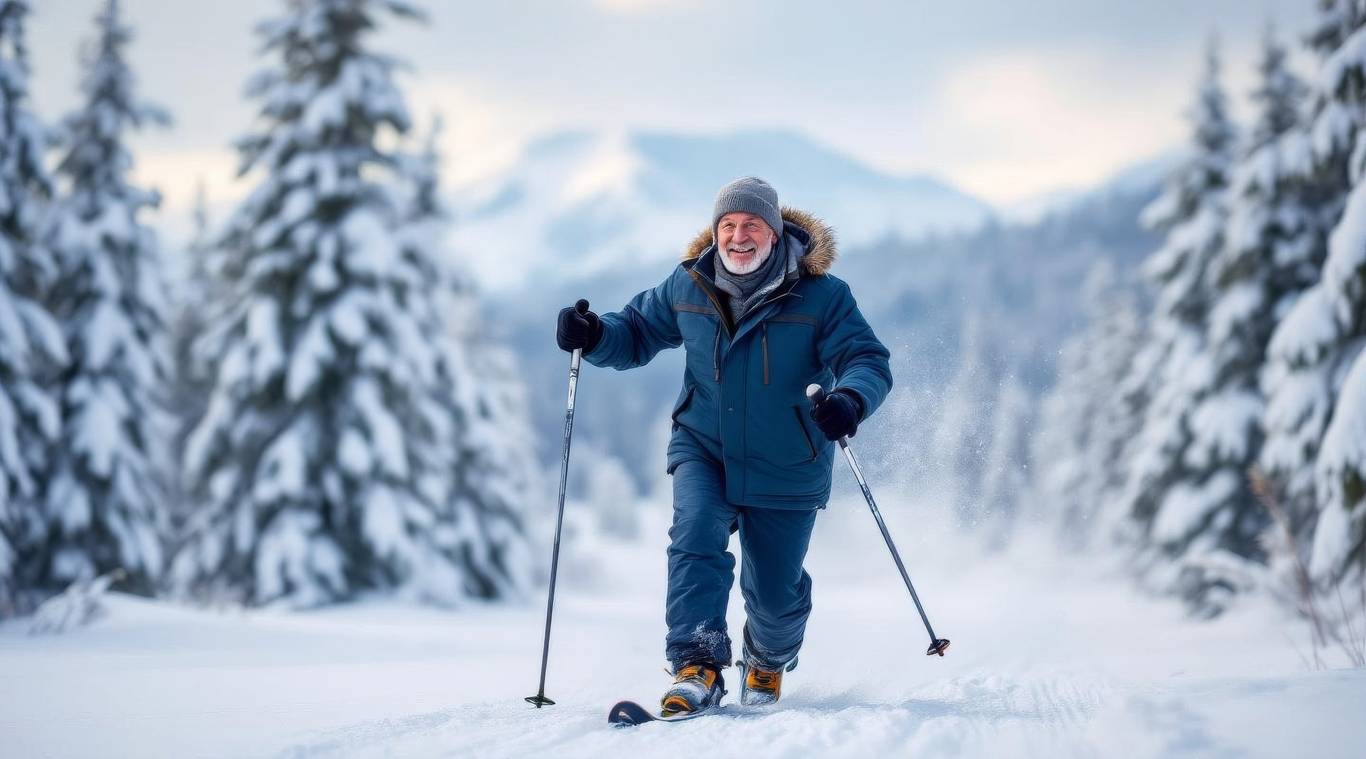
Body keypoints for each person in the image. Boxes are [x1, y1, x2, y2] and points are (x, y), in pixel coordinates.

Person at [555, 176, 892, 715]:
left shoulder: (824, 296)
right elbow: (636, 331)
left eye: (751, 224)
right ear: (715, 232)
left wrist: (851, 399)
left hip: (788, 460)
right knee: (695, 534)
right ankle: (698, 664)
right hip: (704, 445)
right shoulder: (688, 285)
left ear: (775, 232)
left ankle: (767, 655)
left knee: (776, 599)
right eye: (728, 225)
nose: (738, 236)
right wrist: (593, 335)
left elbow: (867, 359)